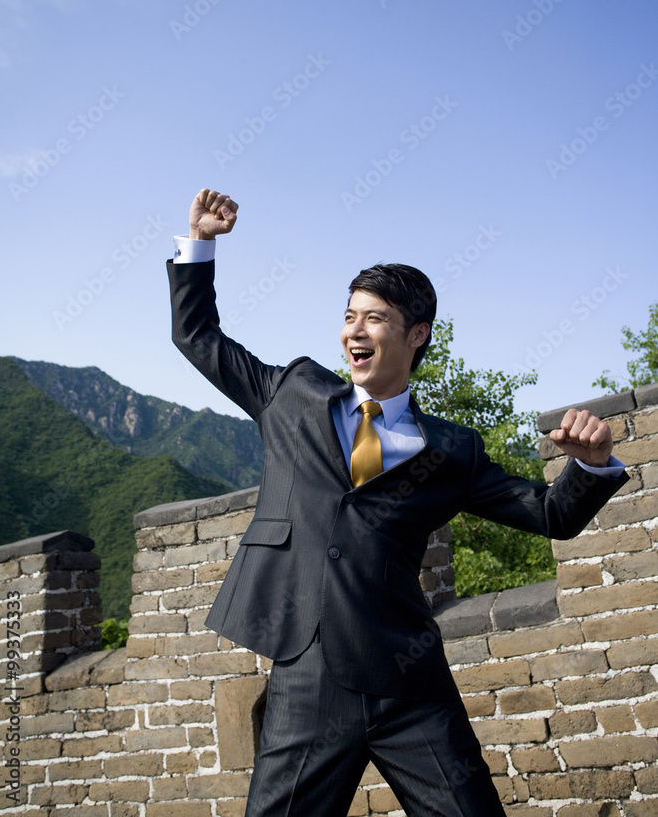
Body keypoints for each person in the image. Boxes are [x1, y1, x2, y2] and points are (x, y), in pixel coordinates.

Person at [168, 188, 627, 817]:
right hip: (307, 678)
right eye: (350, 315)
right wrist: (201, 243)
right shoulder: (292, 392)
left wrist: (590, 466)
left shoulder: (452, 449)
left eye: (374, 318)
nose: (355, 331)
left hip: (410, 682)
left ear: (416, 334)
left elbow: (549, 514)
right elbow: (198, 335)